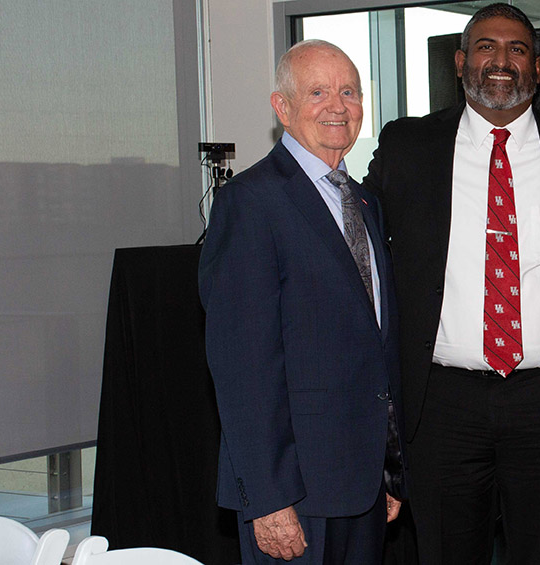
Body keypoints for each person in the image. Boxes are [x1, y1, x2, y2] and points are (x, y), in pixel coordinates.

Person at [361, 4, 540, 564]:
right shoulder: (407, 147)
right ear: (459, 62)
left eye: (518, 49)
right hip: (442, 402)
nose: (502, 61)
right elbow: (354, 235)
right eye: (486, 47)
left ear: (539, 68)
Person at [199, 39, 404, 565]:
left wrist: (389, 471)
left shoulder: (364, 203)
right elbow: (242, 367)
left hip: (362, 489)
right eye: (317, 92)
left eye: (349, 92)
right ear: (282, 107)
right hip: (294, 493)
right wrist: (268, 500)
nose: (338, 106)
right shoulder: (250, 202)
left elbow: (377, 350)